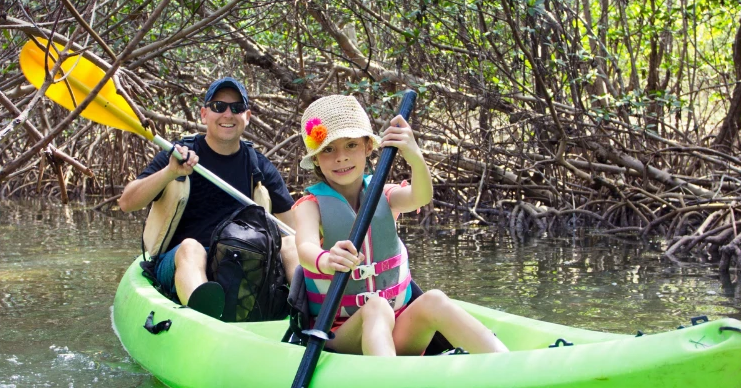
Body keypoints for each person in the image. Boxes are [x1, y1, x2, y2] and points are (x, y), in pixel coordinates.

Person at [293, 95, 508, 356]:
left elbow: (421, 197)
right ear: (315, 159)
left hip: (397, 327)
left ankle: (505, 362)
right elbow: (305, 248)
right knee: (376, 307)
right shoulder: (310, 205)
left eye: (350, 145)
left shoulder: (383, 194)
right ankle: (388, 387)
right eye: (328, 149)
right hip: (340, 335)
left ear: (367, 148)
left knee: (434, 300)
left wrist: (414, 156)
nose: (341, 158)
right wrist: (327, 260)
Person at [118, 77, 298, 306]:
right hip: (182, 261)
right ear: (204, 114)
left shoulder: (258, 166)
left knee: (292, 245)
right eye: (218, 107)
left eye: (237, 108)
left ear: (247, 116)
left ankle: (313, 315)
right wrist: (169, 173)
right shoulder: (177, 155)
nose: (228, 114)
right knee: (191, 248)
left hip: (242, 261)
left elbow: (293, 229)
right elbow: (127, 203)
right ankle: (204, 315)